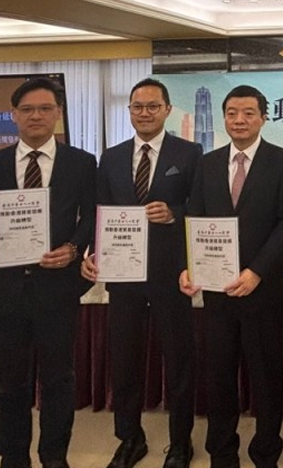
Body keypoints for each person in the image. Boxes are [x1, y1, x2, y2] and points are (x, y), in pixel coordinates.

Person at [81, 78, 201, 468]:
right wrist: (92, 252)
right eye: (137, 106)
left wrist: (174, 213)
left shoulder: (190, 153)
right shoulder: (111, 157)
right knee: (125, 361)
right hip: (124, 275)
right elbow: (100, 211)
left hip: (171, 274)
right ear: (129, 111)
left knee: (179, 361)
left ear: (167, 109)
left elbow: (202, 206)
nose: (144, 113)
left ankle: (180, 442)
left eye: (153, 106)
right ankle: (129, 438)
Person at [180, 84, 283, 468]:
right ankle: (222, 452)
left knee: (266, 378)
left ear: (263, 117)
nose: (239, 120)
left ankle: (266, 452)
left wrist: (257, 271)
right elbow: (195, 217)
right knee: (218, 377)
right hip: (217, 292)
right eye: (232, 113)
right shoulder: (208, 163)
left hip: (263, 291)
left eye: (248, 113)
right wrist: (190, 265)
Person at [0, 78, 96, 468]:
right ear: (14, 115)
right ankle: (14, 456)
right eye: (27, 110)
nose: (35, 116)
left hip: (58, 288)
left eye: (44, 109)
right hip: (5, 291)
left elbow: (91, 215)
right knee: (9, 382)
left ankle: (54, 456)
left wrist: (74, 248)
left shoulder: (81, 162)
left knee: (58, 379)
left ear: (58, 113)